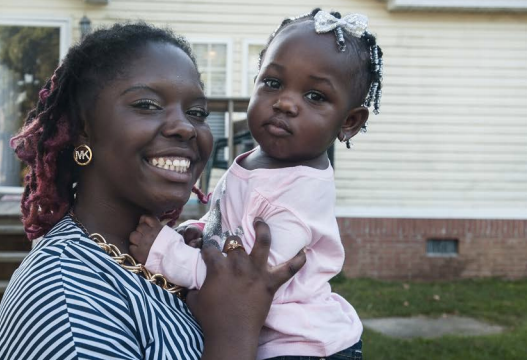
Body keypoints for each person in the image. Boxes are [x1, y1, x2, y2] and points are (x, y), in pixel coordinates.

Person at [0, 22, 306, 360]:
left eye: (197, 112)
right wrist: (234, 334)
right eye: (147, 104)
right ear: (84, 130)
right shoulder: (65, 300)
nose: (185, 127)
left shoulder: (171, 255)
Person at [129, 9, 383, 360]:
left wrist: (164, 253)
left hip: (304, 347)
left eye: (315, 97)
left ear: (349, 122)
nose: (285, 102)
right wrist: (196, 230)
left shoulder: (300, 195)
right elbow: (227, 220)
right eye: (273, 83)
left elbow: (245, 281)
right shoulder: (255, 161)